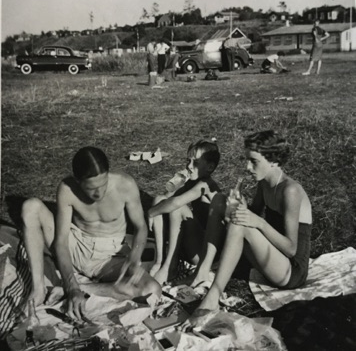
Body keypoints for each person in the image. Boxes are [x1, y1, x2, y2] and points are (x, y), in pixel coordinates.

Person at [180, 130, 312, 329]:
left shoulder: (290, 190)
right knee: (220, 200)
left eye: (254, 161)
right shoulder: (264, 184)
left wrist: (257, 221)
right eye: (247, 160)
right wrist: (241, 207)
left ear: (274, 160)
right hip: (271, 257)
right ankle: (203, 270)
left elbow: (291, 248)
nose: (247, 166)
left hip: (291, 271)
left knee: (242, 225)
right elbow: (253, 215)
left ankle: (212, 297)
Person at [22, 146, 161, 320]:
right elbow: (61, 241)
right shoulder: (67, 189)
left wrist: (134, 258)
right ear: (78, 181)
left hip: (108, 257)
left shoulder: (125, 184)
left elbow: (141, 226)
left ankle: (79, 288)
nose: (98, 192)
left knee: (152, 289)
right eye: (91, 188)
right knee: (31, 207)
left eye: (102, 185)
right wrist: (70, 284)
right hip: (76, 245)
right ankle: (39, 289)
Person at [147, 139, 222, 285]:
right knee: (159, 200)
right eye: (188, 161)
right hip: (195, 243)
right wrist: (177, 184)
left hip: (205, 253)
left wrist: (150, 213)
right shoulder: (192, 181)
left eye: (196, 163)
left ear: (210, 167)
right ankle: (160, 261)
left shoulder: (207, 184)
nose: (189, 166)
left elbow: (176, 203)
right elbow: (166, 199)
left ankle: (170, 266)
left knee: (177, 207)